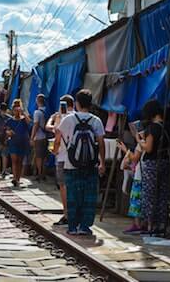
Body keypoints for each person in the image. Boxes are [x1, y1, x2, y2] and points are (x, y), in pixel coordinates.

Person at [54, 89, 105, 235]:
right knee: (88, 195)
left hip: (71, 164)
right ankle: (84, 226)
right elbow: (100, 144)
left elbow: (58, 138)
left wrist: (56, 150)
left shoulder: (68, 119)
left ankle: (72, 226)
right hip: (91, 164)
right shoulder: (96, 121)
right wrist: (101, 163)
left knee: (72, 195)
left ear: (76, 103)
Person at [137, 100, 170, 235]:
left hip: (152, 164)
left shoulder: (152, 128)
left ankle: (150, 225)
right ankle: (162, 225)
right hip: (165, 162)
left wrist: (139, 140)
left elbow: (149, 148)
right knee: (163, 195)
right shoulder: (167, 126)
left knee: (150, 195)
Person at [46, 94, 74, 226]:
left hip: (63, 156)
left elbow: (53, 132)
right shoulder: (78, 117)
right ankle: (76, 214)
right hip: (77, 158)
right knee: (74, 186)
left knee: (63, 186)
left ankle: (67, 214)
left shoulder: (60, 118)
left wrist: (55, 150)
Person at [118, 141, 144, 233]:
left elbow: (135, 158)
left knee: (136, 201)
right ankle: (139, 224)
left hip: (140, 175)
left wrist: (126, 150)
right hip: (141, 174)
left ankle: (138, 224)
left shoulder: (142, 142)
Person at [5, 99, 31, 187]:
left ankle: (18, 178)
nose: (16, 112)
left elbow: (29, 123)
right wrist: (9, 132)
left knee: (20, 161)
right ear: (13, 110)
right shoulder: (10, 120)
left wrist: (23, 112)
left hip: (23, 142)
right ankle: (15, 178)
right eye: (15, 110)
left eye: (18, 110)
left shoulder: (24, 120)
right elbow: (7, 131)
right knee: (14, 160)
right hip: (13, 142)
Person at [30, 94, 48, 182]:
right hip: (47, 137)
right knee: (44, 157)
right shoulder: (48, 111)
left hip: (39, 137)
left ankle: (39, 174)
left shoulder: (37, 112)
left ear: (37, 101)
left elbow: (36, 125)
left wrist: (32, 137)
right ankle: (43, 173)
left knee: (38, 157)